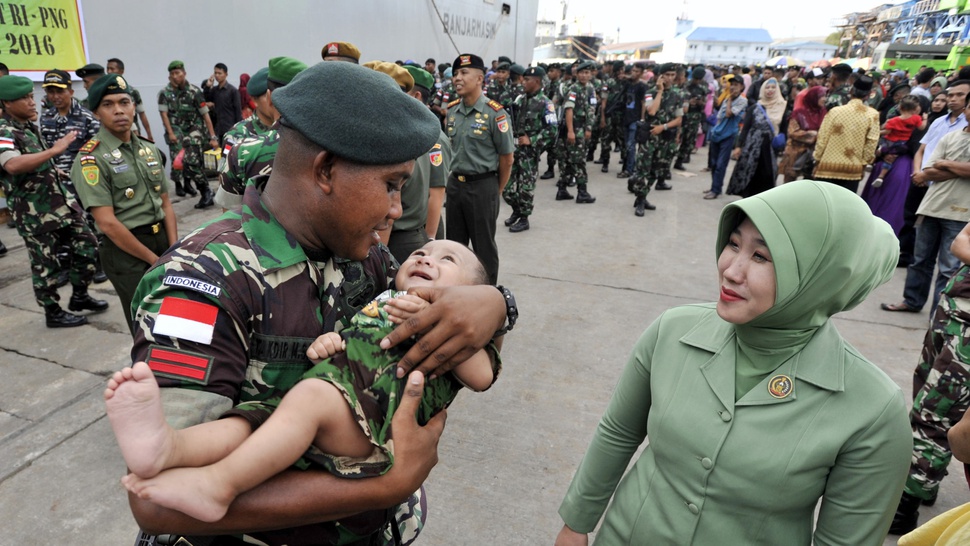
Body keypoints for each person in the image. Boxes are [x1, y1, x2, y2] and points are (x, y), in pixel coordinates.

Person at [127, 61, 514, 546]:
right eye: (391, 185)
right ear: (326, 170)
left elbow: (439, 311)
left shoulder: (362, 252)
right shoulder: (202, 282)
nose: (397, 208)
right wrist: (387, 485)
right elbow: (157, 502)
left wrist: (496, 303)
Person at [555, 180, 911, 546]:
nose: (731, 270)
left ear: (820, 278)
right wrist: (576, 524)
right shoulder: (673, 331)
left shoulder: (872, 409)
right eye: (734, 244)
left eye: (761, 257)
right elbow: (619, 431)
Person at [112, 239, 498, 524]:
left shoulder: (454, 328)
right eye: (421, 254)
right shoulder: (385, 296)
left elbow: (481, 376)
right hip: (334, 404)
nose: (425, 258)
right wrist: (335, 340)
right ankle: (168, 447)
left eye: (447, 260)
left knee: (308, 398)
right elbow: (357, 336)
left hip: (372, 424)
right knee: (250, 420)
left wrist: (491, 306)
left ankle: (218, 485)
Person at [69, 74, 177, 332]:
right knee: (147, 324)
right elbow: (107, 223)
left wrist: (174, 250)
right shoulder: (91, 159)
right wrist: (155, 261)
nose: (118, 110)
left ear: (133, 106)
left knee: (174, 313)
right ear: (96, 112)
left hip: (162, 240)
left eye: (124, 101)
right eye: (108, 104)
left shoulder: (149, 150)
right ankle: (147, 371)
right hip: (125, 251)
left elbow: (166, 204)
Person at [0, 75, 108, 327]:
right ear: (6, 103)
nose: (32, 101)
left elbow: (35, 160)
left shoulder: (28, 126)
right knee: (45, 265)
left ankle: (80, 295)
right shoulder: (4, 130)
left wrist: (52, 167)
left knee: (88, 245)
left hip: (60, 205)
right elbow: (12, 164)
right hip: (34, 213)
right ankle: (53, 312)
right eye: (24, 98)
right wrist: (54, 151)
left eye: (30, 96)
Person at [890, 221, 970, 536]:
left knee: (937, 410)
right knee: (925, 388)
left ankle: (906, 504)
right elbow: (960, 242)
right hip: (954, 307)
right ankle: (926, 478)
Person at [882, 82, 970, 315]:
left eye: (959, 96)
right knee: (920, 259)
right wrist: (952, 169)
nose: (952, 100)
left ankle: (939, 313)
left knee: (949, 267)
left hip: (961, 209)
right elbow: (928, 163)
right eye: (949, 95)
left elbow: (936, 167)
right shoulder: (945, 131)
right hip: (932, 203)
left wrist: (945, 165)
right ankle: (912, 300)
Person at [444, 53, 514, 285]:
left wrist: (497, 189)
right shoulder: (452, 111)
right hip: (455, 186)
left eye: (464, 73)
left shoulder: (495, 114)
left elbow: (507, 158)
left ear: (480, 79)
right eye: (455, 74)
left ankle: (487, 297)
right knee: (453, 245)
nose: (457, 78)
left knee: (483, 247)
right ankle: (455, 291)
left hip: (483, 186)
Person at [215, 57, 306, 210]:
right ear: (254, 99)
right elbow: (229, 196)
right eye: (266, 95)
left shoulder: (299, 133)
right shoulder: (236, 136)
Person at [386, 64, 452, 262]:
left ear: (415, 97)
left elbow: (436, 192)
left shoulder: (434, 137)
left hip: (409, 231)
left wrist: (431, 239)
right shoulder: (404, 133)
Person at [503, 65, 557, 233]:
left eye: (526, 80)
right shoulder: (520, 99)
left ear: (537, 81)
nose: (523, 82)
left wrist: (532, 140)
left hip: (529, 153)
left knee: (526, 187)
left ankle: (524, 218)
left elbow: (552, 130)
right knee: (507, 188)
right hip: (514, 150)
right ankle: (517, 210)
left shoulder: (546, 103)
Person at [158, 60, 219, 207]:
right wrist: (171, 133)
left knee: (191, 160)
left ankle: (205, 191)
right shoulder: (165, 93)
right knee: (183, 163)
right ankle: (204, 189)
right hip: (178, 131)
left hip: (195, 130)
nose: (175, 76)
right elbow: (164, 115)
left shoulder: (194, 91)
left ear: (184, 73)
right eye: (172, 74)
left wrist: (213, 136)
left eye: (177, 73)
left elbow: (205, 115)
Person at [813, 75, 881, 194]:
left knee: (823, 204)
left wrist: (817, 159)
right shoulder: (872, 115)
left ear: (851, 91)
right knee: (844, 206)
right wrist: (864, 164)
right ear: (868, 94)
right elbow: (871, 143)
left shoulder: (835, 111)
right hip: (852, 170)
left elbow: (822, 138)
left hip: (827, 167)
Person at [630, 63, 681, 215]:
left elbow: (679, 119)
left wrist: (663, 127)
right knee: (642, 170)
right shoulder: (650, 92)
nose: (670, 78)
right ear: (660, 76)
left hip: (664, 138)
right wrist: (660, 91)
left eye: (673, 75)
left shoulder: (677, 95)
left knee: (656, 170)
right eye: (667, 75)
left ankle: (643, 195)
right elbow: (651, 111)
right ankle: (640, 200)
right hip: (649, 138)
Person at [725, 77, 786, 198]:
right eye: (767, 87)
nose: (770, 90)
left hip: (770, 147)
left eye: (773, 87)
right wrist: (738, 146)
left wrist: (783, 146)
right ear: (763, 90)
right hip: (752, 146)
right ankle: (747, 198)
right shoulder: (755, 107)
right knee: (750, 172)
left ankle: (763, 200)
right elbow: (746, 128)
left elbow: (784, 129)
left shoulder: (782, 107)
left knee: (768, 173)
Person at [558, 60, 597, 204]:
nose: (584, 76)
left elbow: (592, 109)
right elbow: (569, 109)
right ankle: (582, 192)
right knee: (579, 161)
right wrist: (570, 131)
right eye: (582, 73)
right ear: (577, 74)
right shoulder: (573, 89)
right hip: (575, 128)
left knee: (570, 160)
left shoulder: (590, 89)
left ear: (591, 74)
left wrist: (589, 127)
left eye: (587, 73)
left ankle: (562, 189)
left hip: (582, 128)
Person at [704, 74, 747, 199]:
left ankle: (716, 190)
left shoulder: (742, 100)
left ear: (742, 87)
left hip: (728, 136)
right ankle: (714, 187)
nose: (733, 88)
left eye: (736, 85)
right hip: (717, 133)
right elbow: (719, 116)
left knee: (720, 164)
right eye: (731, 85)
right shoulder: (727, 97)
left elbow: (729, 114)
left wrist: (728, 101)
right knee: (713, 163)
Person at [778, 85, 826, 183]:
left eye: (825, 96)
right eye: (822, 96)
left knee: (810, 183)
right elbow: (793, 132)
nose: (824, 99)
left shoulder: (825, 113)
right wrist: (813, 135)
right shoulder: (798, 113)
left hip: (814, 154)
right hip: (795, 153)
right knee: (789, 183)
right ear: (813, 97)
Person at [874, 95, 923, 188]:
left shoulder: (893, 120)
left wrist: (877, 132)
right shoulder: (916, 118)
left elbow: (886, 131)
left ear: (900, 107)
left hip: (889, 141)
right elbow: (921, 127)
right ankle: (881, 177)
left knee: (881, 146)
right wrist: (924, 119)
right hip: (901, 144)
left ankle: (876, 156)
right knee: (890, 159)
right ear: (915, 108)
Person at [106, 58, 154, 141]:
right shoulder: (105, 92)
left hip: (133, 133)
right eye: (108, 69)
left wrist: (149, 134)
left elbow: (142, 114)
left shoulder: (132, 91)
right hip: (112, 134)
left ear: (121, 71)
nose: (109, 72)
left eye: (112, 69)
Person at [201, 63, 242, 143]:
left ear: (226, 74)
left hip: (230, 128)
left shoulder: (232, 91)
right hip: (218, 129)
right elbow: (206, 99)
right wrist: (208, 86)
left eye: (220, 73)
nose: (217, 75)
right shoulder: (214, 90)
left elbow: (238, 111)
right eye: (215, 73)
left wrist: (238, 130)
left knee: (229, 152)